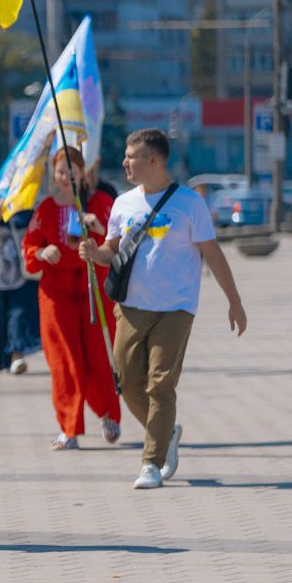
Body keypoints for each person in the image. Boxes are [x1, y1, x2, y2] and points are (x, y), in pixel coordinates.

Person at [79, 128, 247, 489]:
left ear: (152, 160)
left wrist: (234, 301)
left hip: (176, 308)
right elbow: (112, 249)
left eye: (131, 156)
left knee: (160, 384)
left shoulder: (189, 204)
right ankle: (166, 433)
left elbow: (213, 255)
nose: (124, 162)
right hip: (131, 306)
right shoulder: (123, 204)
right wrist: (96, 253)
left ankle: (151, 464)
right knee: (127, 380)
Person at [23, 147, 121, 451]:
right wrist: (42, 253)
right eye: (60, 170)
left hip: (93, 288)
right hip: (56, 292)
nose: (65, 176)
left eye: (71, 170)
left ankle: (108, 412)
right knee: (65, 360)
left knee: (98, 358)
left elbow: (118, 241)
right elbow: (30, 248)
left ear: (83, 171)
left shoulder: (102, 203)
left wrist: (98, 228)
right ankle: (69, 428)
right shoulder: (46, 209)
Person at [0, 199, 40, 375]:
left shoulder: (32, 197)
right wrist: (11, 197)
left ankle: (16, 355)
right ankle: (5, 358)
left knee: (17, 315)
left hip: (22, 272)